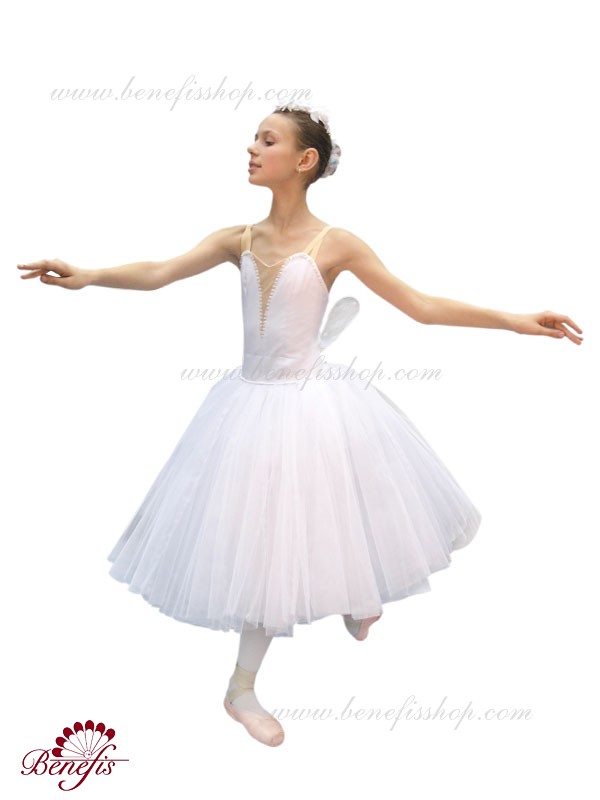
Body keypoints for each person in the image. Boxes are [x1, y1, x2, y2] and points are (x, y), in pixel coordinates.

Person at [17, 103, 584, 748]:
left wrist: (514, 321)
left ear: (305, 160)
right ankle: (241, 689)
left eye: (267, 141)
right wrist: (91, 276)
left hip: (313, 400)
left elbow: (421, 306)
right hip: (247, 406)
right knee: (263, 540)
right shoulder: (237, 238)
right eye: (254, 139)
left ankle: (355, 598)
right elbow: (159, 273)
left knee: (335, 508)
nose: (251, 149)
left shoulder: (335, 243)